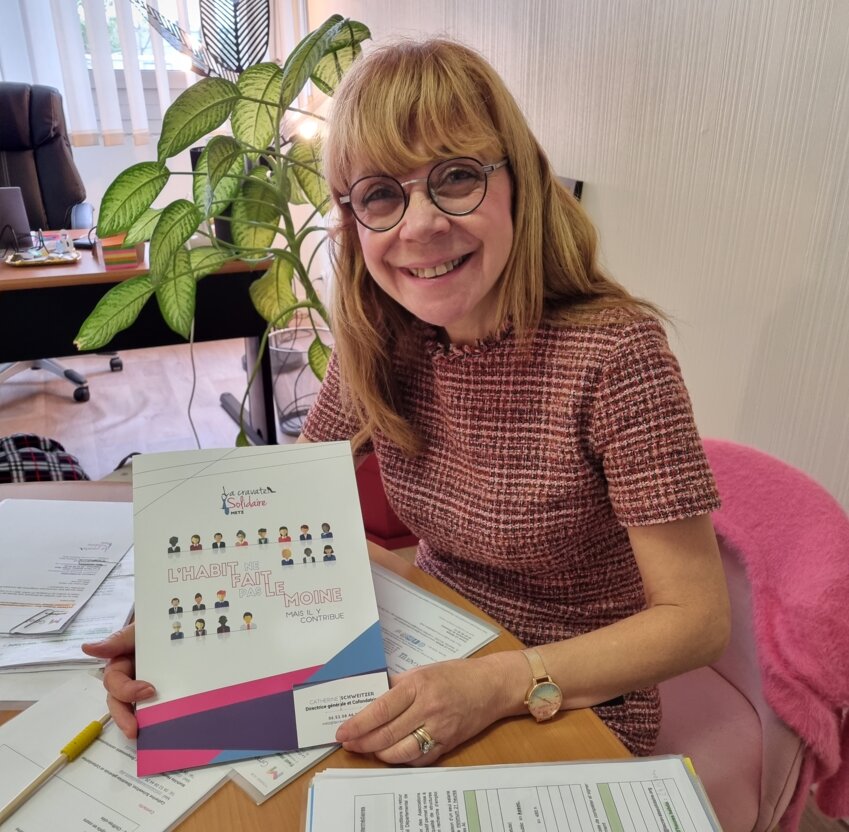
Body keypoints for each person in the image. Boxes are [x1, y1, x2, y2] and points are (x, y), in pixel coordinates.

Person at [82, 38, 729, 763]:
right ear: (353, 220)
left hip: (569, 694)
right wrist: (180, 628)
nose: (419, 226)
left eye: (456, 177)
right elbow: (281, 502)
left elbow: (697, 620)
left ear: (519, 183)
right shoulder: (382, 337)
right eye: (381, 194)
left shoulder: (615, 354)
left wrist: (496, 683)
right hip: (430, 641)